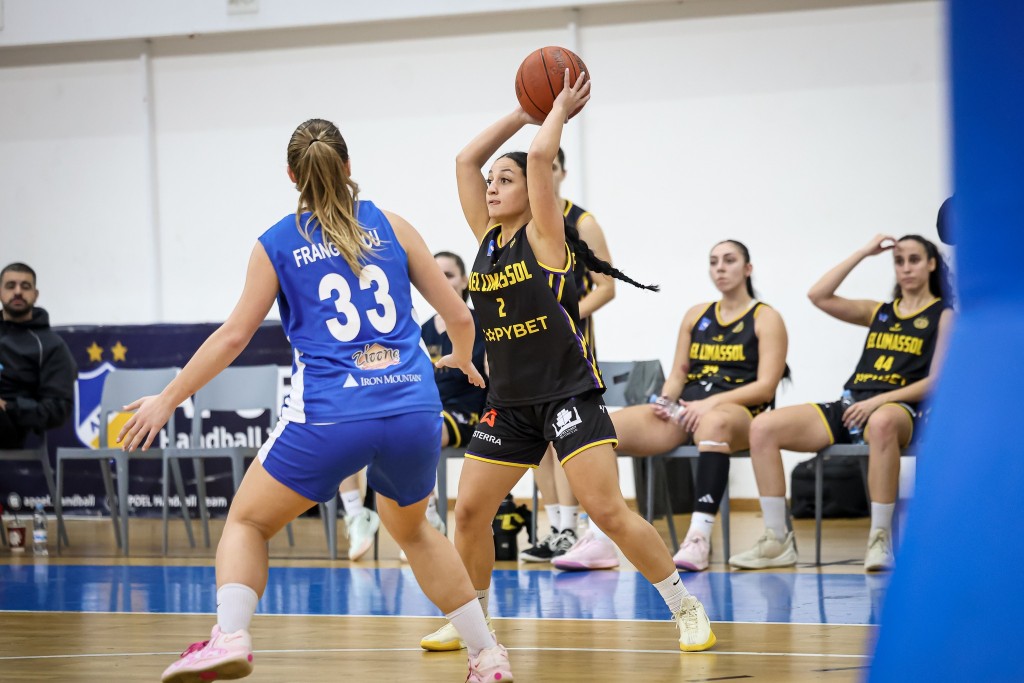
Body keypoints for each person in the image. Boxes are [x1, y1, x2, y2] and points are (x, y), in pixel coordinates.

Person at [117, 118, 513, 683]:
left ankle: (230, 636)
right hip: (413, 407)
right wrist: (466, 359)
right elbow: (459, 316)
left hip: (331, 414)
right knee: (415, 531)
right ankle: (487, 656)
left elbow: (233, 337)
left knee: (247, 522)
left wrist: (168, 398)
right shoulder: (392, 225)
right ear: (348, 166)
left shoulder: (276, 243)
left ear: (291, 176)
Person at [419, 72, 716, 654]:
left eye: (505, 180)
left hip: (567, 394)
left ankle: (685, 606)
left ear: (534, 192)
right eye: (491, 182)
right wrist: (519, 111)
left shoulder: (546, 237)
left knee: (606, 510)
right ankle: (471, 620)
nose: (492, 187)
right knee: (470, 511)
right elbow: (463, 160)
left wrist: (552, 109)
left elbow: (538, 156)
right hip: (509, 402)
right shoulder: (485, 240)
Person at [556, 240, 790, 572]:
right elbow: (679, 373)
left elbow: (765, 387)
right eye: (714, 261)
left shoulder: (766, 317)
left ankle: (698, 538)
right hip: (689, 409)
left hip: (738, 411)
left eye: (729, 260)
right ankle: (600, 538)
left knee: (714, 423)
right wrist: (666, 400)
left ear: (748, 268)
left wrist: (709, 404)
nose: (720, 268)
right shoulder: (696, 314)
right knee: (601, 428)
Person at [729, 233, 953, 572]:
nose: (906, 268)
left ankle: (879, 539)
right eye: (899, 261)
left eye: (914, 260)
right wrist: (863, 252)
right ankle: (776, 540)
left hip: (901, 409)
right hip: (853, 404)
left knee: (882, 422)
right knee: (762, 427)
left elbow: (936, 381)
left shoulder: (944, 314)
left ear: (932, 264)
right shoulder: (879, 311)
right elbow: (818, 295)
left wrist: (879, 401)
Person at [338, 250, 487, 562]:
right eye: (437, 274)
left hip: (468, 412)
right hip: (427, 410)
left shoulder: (480, 323)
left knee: (420, 431)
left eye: (449, 275)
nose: (442, 281)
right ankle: (357, 515)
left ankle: (426, 519)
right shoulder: (420, 329)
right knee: (348, 432)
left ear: (464, 281)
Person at [520, 148, 616, 564]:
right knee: (537, 440)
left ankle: (574, 527)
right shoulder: (519, 222)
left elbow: (606, 287)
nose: (543, 174)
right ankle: (558, 528)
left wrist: (561, 319)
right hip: (527, 350)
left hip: (569, 349)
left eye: (550, 167)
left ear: (560, 172)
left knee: (565, 436)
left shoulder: (582, 222)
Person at [0, 263, 77, 450]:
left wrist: (10, 406)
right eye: (10, 286)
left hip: (10, 425)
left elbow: (59, 409)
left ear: (35, 294)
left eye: (25, 286)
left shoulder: (51, 345)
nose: (18, 292)